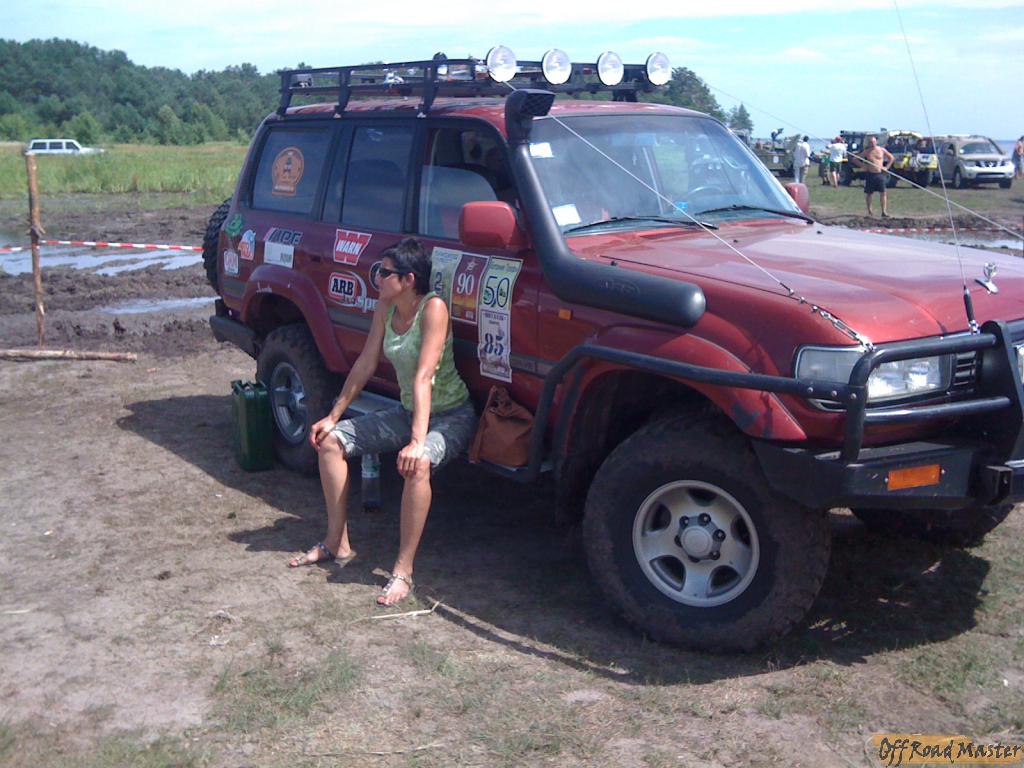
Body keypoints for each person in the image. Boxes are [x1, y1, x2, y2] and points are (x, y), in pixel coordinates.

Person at [288, 238, 477, 607]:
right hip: (408, 412)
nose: (376, 278)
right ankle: (336, 543)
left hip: (450, 414)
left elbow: (424, 376)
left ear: (409, 279)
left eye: (384, 272)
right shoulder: (386, 306)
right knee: (330, 441)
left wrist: (417, 442)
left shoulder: (433, 308)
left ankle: (403, 571)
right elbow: (366, 362)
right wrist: (333, 415)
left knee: (417, 465)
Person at [860, 135, 894, 217]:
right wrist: (863, 166)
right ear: (869, 143)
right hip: (870, 174)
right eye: (871, 142)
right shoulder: (867, 151)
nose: (872, 144)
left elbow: (891, 158)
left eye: (873, 142)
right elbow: (855, 159)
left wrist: (886, 167)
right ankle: (870, 211)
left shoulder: (881, 150)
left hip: (880, 174)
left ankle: (884, 212)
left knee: (883, 192)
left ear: (876, 142)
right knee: (869, 193)